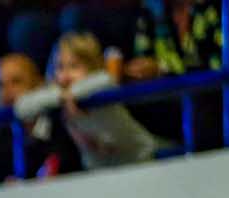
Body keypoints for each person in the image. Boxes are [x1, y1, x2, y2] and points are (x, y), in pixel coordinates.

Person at [12, 32, 165, 170]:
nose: (65, 75)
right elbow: (21, 106)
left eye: (74, 66)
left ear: (93, 66)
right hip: (100, 170)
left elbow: (107, 79)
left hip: (144, 159)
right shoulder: (60, 95)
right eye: (60, 67)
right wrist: (62, 96)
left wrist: (71, 94)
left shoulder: (98, 87)